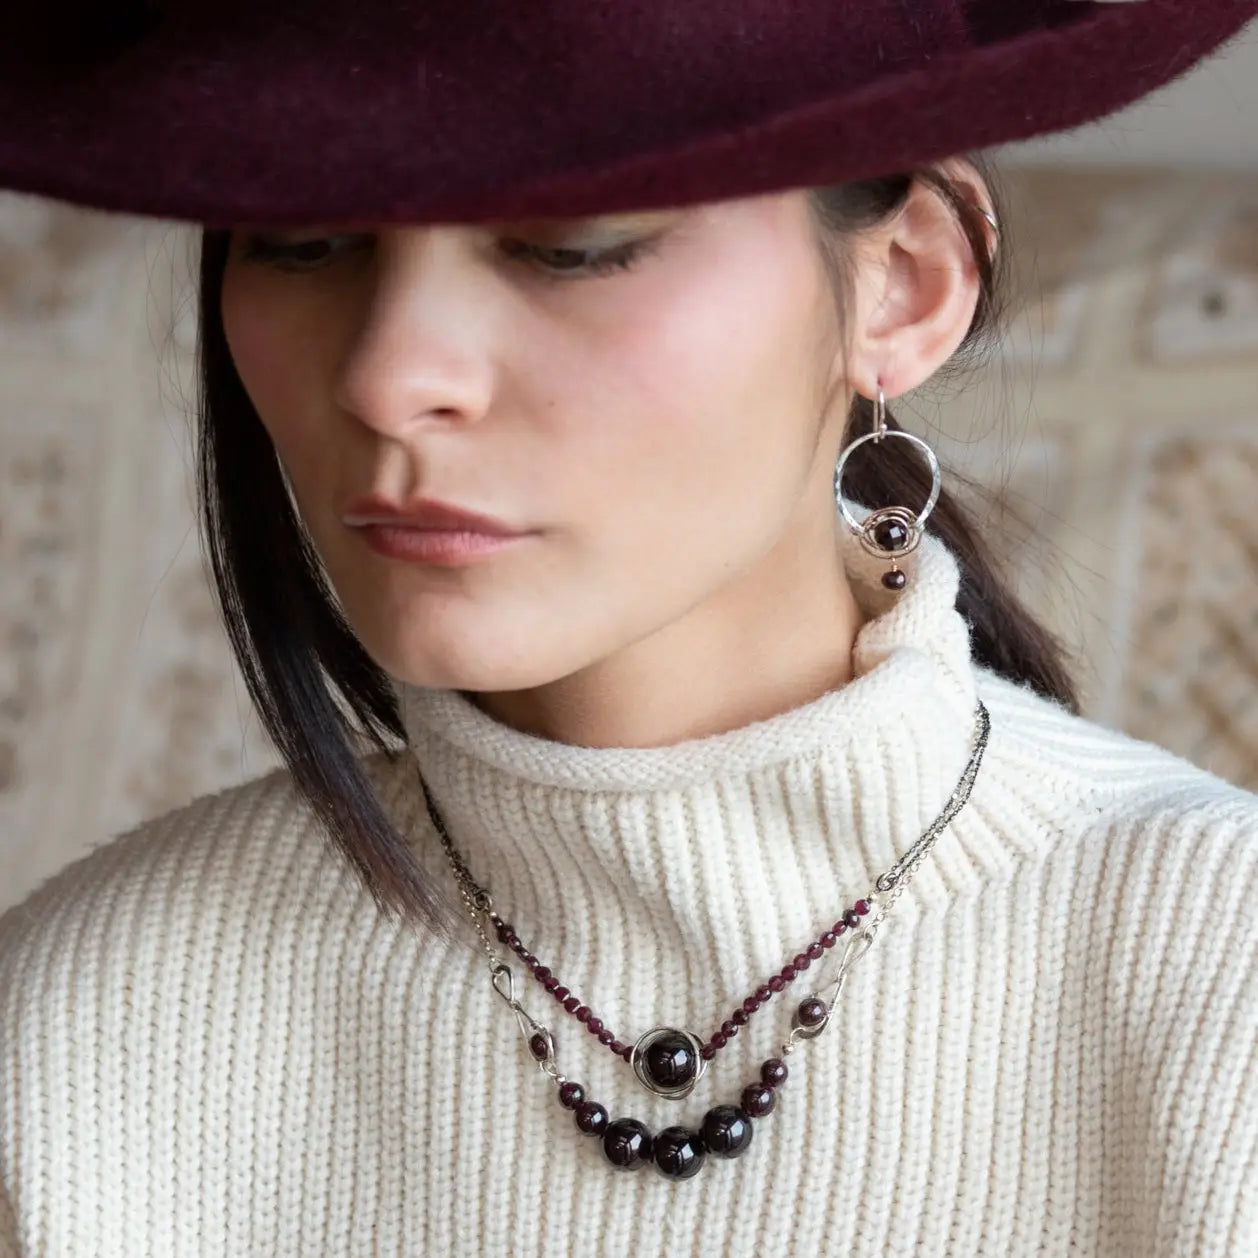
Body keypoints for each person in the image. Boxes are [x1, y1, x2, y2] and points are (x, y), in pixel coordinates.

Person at [2, 1, 1258, 1254]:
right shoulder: (75, 1037)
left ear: (904, 288)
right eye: (303, 241)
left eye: (569, 247)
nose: (387, 375)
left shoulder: (1214, 972)